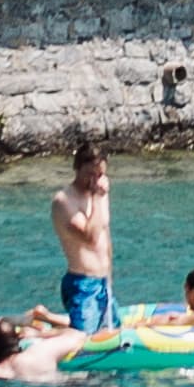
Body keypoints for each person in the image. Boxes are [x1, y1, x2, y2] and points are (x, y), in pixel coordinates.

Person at [51, 136, 118, 335]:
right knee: (82, 340)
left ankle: (44, 317)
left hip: (103, 282)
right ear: (77, 168)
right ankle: (32, 334)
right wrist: (98, 196)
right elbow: (90, 237)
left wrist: (109, 275)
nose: (95, 180)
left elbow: (105, 238)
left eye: (100, 175)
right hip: (82, 283)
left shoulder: (99, 194)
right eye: (90, 174)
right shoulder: (64, 201)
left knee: (111, 333)